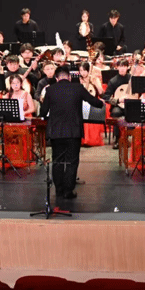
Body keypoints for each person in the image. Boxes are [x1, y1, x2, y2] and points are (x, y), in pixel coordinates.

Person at [40, 66, 104, 199]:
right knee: (72, 161)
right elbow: (95, 103)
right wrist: (101, 102)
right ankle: (68, 191)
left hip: (56, 131)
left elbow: (43, 111)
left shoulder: (50, 90)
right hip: (73, 131)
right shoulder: (78, 88)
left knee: (57, 160)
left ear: (56, 78)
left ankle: (59, 190)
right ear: (69, 77)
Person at [104, 58, 131, 149]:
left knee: (134, 113)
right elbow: (106, 97)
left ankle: (128, 137)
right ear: (117, 67)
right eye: (120, 66)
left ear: (128, 67)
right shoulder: (113, 81)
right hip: (117, 106)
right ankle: (117, 139)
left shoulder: (131, 79)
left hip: (130, 105)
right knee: (116, 112)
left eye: (124, 66)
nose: (122, 68)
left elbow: (138, 93)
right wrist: (118, 100)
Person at [79, 62, 105, 147]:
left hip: (93, 102)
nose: (82, 73)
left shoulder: (94, 79)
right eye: (80, 71)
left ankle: (90, 139)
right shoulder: (79, 80)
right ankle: (83, 139)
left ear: (88, 70)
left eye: (84, 70)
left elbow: (101, 92)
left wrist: (95, 83)